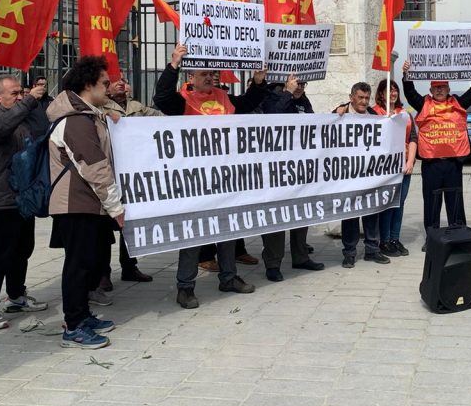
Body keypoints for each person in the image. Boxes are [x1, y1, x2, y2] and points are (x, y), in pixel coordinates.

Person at [153, 45, 268, 308]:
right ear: (191, 78)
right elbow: (161, 97)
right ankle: (185, 287)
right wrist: (173, 64)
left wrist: (259, 81)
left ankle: (229, 277)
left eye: (212, 73)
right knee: (193, 235)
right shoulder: (182, 101)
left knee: (227, 229)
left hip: (224, 178)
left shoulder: (224, 97)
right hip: (195, 180)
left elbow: (249, 102)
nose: (209, 77)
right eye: (203, 74)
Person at [45, 57, 123, 349]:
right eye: (104, 83)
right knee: (78, 266)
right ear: (88, 85)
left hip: (86, 202)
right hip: (74, 203)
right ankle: (74, 326)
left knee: (88, 262)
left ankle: (82, 315)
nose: (109, 88)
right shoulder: (76, 121)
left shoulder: (88, 115)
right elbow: (95, 167)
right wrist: (116, 207)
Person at [0, 75, 50, 330]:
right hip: (0, 199)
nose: (20, 97)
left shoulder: (20, 117)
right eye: (14, 93)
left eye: (22, 93)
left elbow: (40, 132)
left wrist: (33, 107)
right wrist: (28, 103)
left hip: (21, 198)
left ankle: (16, 294)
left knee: (22, 249)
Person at [402, 61, 471, 242]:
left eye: (442, 87)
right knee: (431, 202)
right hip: (431, 163)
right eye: (436, 87)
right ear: (431, 90)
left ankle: (458, 236)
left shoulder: (458, 102)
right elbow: (410, 93)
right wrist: (407, 75)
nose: (439, 90)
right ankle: (432, 240)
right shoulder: (423, 103)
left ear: (448, 89)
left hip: (453, 163)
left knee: (455, 201)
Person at [259, 76, 325, 280]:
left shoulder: (304, 101)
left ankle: (300, 256)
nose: (300, 87)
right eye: (297, 83)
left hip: (300, 169)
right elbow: (272, 119)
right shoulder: (271, 97)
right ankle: (273, 264)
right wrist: (287, 94)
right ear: (286, 82)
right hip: (277, 170)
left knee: (301, 214)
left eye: (303, 84)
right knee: (276, 218)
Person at [97, 79, 159, 288]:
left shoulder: (136, 106)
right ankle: (103, 273)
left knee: (130, 223)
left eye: (123, 80)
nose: (121, 83)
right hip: (111, 172)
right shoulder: (99, 108)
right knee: (105, 227)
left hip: (133, 172)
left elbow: (161, 119)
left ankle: (130, 267)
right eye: (115, 81)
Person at [334, 83, 390, 267]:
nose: (364, 101)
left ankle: (372, 250)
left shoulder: (375, 117)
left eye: (367, 98)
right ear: (351, 97)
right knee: (350, 215)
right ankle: (349, 253)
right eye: (360, 97)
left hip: (369, 175)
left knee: (371, 213)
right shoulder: (339, 114)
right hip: (348, 176)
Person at [372, 80, 417, 256]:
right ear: (380, 94)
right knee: (387, 204)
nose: (392, 93)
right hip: (383, 168)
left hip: (403, 165)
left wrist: (410, 162)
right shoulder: (373, 113)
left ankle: (394, 239)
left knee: (399, 203)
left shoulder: (405, 114)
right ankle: (384, 241)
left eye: (395, 90)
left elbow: (413, 139)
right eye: (388, 90)